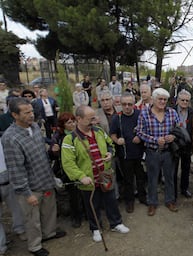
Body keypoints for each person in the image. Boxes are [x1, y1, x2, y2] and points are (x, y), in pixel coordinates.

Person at [2, 98, 66, 256]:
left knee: (49, 211)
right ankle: (35, 244)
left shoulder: (36, 127)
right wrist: (27, 193)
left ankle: (49, 233)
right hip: (30, 187)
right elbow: (16, 169)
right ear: (15, 115)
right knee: (32, 219)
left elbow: (41, 152)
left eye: (31, 111)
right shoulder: (10, 138)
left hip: (45, 179)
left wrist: (52, 149)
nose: (31, 115)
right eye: (27, 112)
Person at [61, 105, 129, 242]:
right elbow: (68, 163)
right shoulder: (70, 139)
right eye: (90, 118)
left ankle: (116, 223)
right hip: (88, 179)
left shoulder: (98, 131)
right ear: (78, 119)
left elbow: (110, 144)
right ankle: (96, 228)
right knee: (92, 204)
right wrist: (81, 176)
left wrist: (110, 153)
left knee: (111, 200)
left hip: (105, 174)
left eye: (94, 117)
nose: (94, 121)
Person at [136, 88, 179, 216]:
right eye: (160, 99)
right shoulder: (144, 113)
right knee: (152, 179)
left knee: (170, 178)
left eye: (165, 100)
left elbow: (178, 129)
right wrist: (155, 140)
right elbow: (139, 132)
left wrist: (173, 137)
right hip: (152, 151)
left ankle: (170, 200)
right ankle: (152, 203)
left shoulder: (172, 112)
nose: (162, 101)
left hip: (168, 151)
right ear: (153, 99)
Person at [110, 94, 146, 213]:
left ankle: (142, 197)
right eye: (124, 104)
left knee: (141, 177)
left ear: (134, 104)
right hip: (125, 155)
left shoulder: (140, 114)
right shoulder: (117, 118)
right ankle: (129, 201)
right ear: (120, 104)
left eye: (129, 104)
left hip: (140, 153)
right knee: (128, 179)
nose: (127, 107)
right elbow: (112, 134)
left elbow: (147, 129)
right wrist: (117, 140)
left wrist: (140, 137)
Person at [49, 112, 83, 228]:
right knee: (73, 195)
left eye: (74, 121)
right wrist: (54, 151)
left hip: (82, 167)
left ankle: (87, 214)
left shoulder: (80, 132)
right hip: (66, 170)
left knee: (84, 192)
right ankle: (76, 217)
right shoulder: (57, 137)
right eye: (69, 122)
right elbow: (52, 156)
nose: (73, 124)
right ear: (63, 125)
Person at [173, 90, 193, 199]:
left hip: (187, 144)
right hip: (175, 144)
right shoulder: (171, 111)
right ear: (178, 100)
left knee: (186, 168)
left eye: (187, 100)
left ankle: (184, 189)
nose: (184, 102)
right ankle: (173, 191)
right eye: (182, 100)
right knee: (174, 169)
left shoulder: (192, 112)